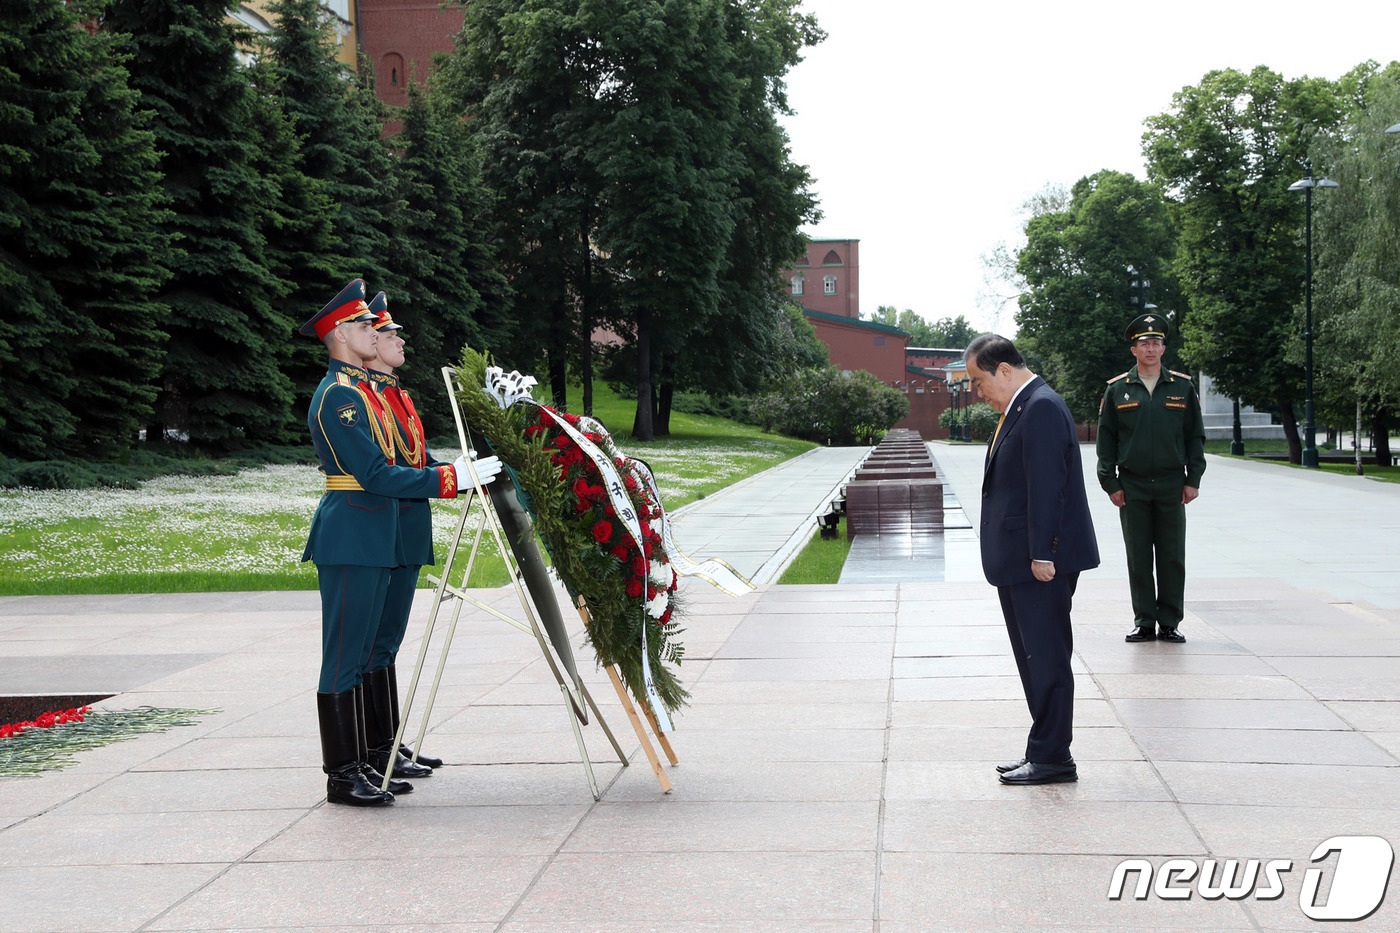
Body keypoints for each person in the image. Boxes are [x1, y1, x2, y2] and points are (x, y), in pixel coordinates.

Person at [300, 279, 502, 807]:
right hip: (353, 534)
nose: (375, 332)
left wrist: (453, 476)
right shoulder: (339, 398)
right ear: (340, 334)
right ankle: (342, 773)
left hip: (378, 532)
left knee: (372, 649)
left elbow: (399, 463)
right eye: (365, 325)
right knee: (344, 656)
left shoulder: (362, 392)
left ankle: (370, 757)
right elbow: (371, 472)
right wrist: (448, 480)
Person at [965, 334, 1099, 786]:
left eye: (979, 381)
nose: (978, 392)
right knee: (1033, 658)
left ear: (1004, 370)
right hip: (1018, 559)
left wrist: (1043, 553)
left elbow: (1048, 486)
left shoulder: (1039, 406)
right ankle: (1042, 749)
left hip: (1038, 561)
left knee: (1046, 658)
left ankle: (1054, 758)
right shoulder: (1020, 407)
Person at [361, 293, 444, 780]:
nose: (396, 340)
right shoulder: (368, 399)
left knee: (388, 642)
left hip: (409, 526)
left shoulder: (399, 396)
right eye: (388, 334)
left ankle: (389, 744)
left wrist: (457, 472)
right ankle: (377, 750)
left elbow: (417, 459)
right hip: (386, 525)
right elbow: (386, 469)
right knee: (376, 642)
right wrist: (449, 478)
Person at [1096, 313, 1206, 644]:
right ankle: (1144, 620)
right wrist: (1110, 483)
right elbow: (1107, 441)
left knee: (1172, 556)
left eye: (1156, 343)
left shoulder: (1182, 387)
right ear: (1134, 350)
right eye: (1144, 343)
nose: (1150, 348)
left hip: (1173, 483)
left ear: (1163, 348)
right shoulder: (1117, 390)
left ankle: (1169, 621)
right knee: (1139, 555)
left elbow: (1194, 438)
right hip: (1133, 486)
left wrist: (1193, 479)